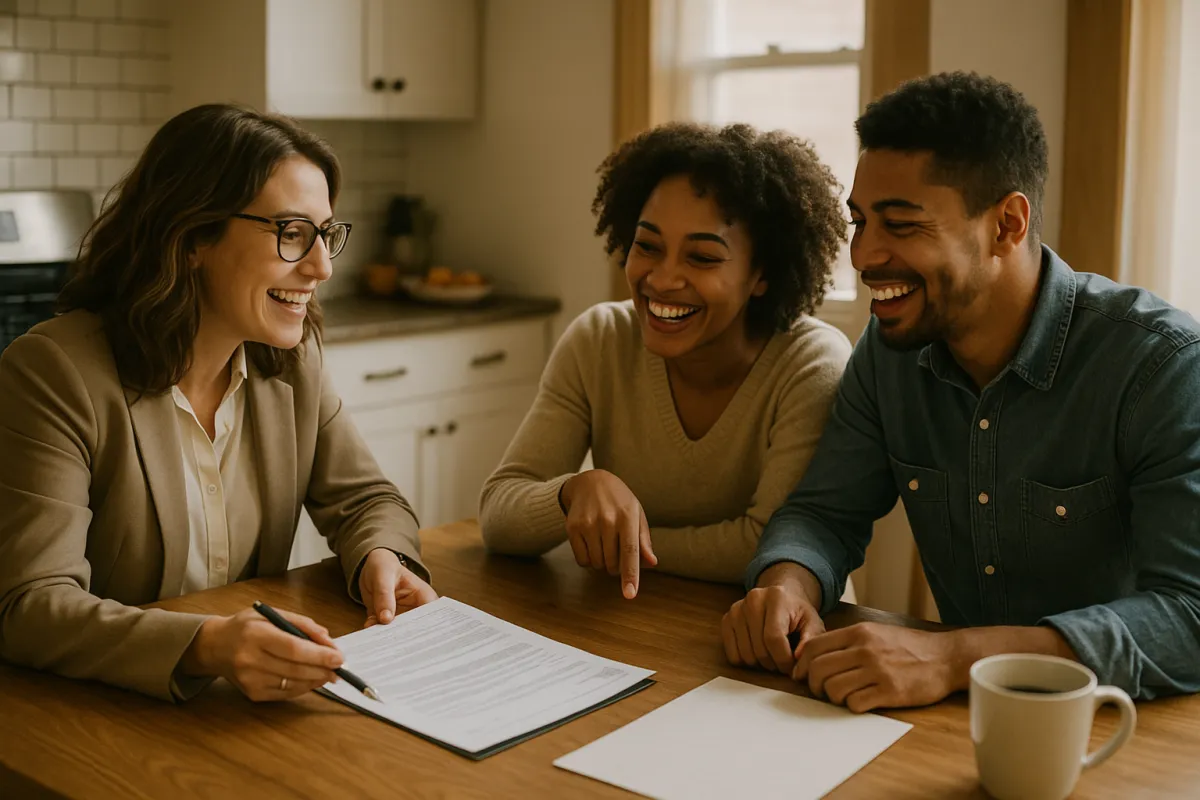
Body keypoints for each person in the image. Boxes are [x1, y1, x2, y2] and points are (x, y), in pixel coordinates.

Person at [722, 71, 1200, 710]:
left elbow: (1189, 616)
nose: (864, 255)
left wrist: (955, 657)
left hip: (1128, 727)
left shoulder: (1161, 365)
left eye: (902, 225)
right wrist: (788, 583)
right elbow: (824, 514)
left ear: (1006, 223)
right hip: (953, 722)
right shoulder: (889, 353)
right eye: (860, 222)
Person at [0, 104, 437, 703]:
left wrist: (380, 559)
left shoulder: (290, 360)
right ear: (191, 237)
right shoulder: (54, 372)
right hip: (98, 713)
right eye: (291, 233)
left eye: (326, 233)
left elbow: (366, 498)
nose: (323, 267)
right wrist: (205, 645)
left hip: (236, 707)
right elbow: (31, 604)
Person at [480, 122, 853, 599]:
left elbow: (767, 544)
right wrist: (570, 493)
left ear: (762, 274)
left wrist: (617, 545)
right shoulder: (599, 340)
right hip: (635, 619)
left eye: (701, 257)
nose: (663, 278)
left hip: (777, 635)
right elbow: (497, 515)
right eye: (648, 246)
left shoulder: (810, 364)